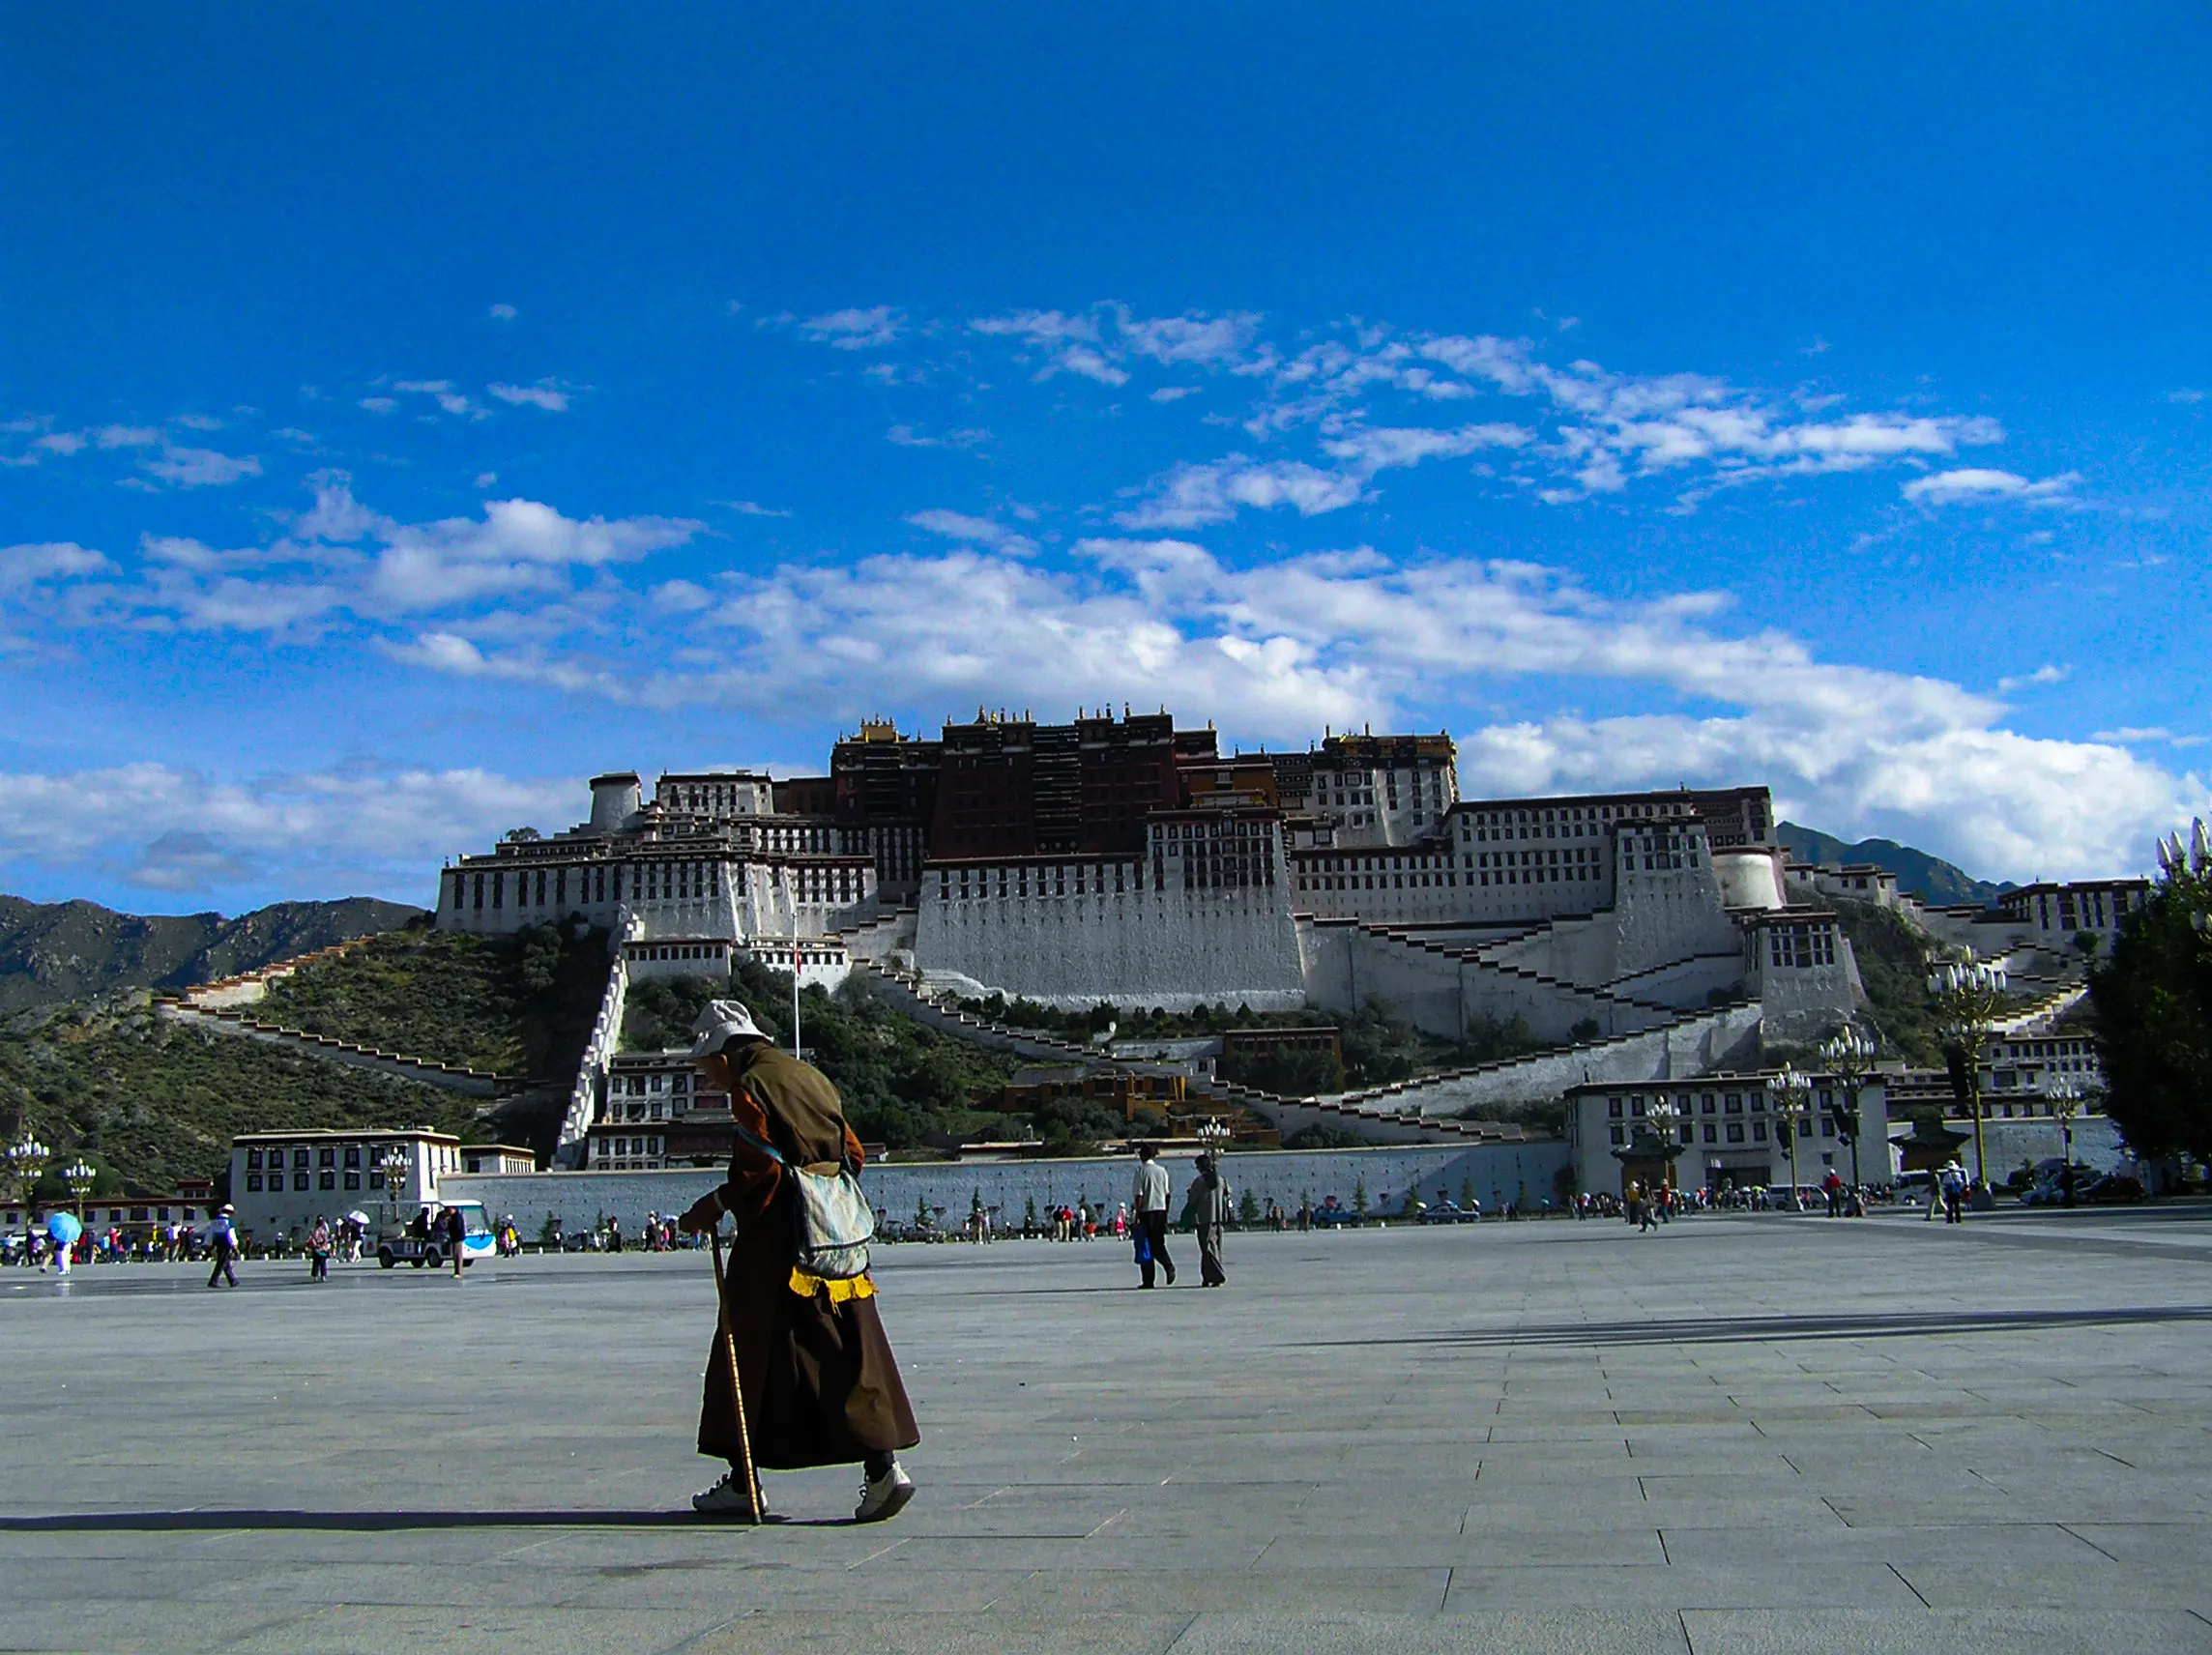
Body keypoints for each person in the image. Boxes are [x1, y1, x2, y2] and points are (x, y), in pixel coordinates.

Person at [677, 998, 919, 1524]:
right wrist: (824, 1191)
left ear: (726, 1053)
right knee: (842, 1348)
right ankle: (748, 1477)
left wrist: (712, 1207)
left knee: (756, 1350)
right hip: (837, 1238)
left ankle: (879, 1469)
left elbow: (757, 1175)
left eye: (706, 1066)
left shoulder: (752, 1089)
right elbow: (852, 1153)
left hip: (781, 1248)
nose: (707, 1078)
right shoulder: (810, 1076)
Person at [1130, 1143, 1175, 1288]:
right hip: (1160, 1211)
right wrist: (1166, 1213)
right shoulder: (1162, 1171)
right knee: (1158, 1243)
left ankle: (1148, 1280)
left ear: (1142, 1156)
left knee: (1145, 1246)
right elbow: (1167, 1194)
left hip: (1146, 1212)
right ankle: (1168, 1265)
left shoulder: (1141, 1171)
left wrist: (1136, 1215)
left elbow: (1139, 1195)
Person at [1189, 1151, 1231, 1288]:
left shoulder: (1200, 1181)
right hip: (1218, 1217)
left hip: (1204, 1218)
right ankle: (1207, 1277)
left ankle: (1218, 1275)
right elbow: (1228, 1192)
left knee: (1207, 1248)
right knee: (1214, 1247)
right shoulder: (1220, 1179)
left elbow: (1192, 1200)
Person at [206, 1205, 240, 1288]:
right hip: (226, 1242)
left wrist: (208, 1244)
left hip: (217, 1242)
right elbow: (231, 1234)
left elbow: (210, 1233)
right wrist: (234, 1246)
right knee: (221, 1262)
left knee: (225, 1261)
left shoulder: (214, 1221)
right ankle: (213, 1281)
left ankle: (232, 1280)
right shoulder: (227, 1221)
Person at [443, 1205, 467, 1276]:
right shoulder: (453, 1216)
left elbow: (457, 1227)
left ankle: (458, 1272)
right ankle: (456, 1271)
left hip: (458, 1238)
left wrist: (449, 1222)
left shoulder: (457, 1217)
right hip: (455, 1238)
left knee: (458, 1255)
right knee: (455, 1255)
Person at [306, 1218, 332, 1282]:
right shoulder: (323, 1231)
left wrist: (315, 1246)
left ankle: (315, 1277)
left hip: (316, 1250)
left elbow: (311, 1239)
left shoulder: (313, 1231)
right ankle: (323, 1277)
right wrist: (322, 1246)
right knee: (323, 1263)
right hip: (323, 1249)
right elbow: (325, 1240)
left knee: (316, 1263)